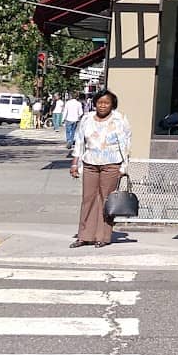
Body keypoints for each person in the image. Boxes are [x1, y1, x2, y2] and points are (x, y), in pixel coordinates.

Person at [69, 90, 132, 248]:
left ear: (112, 105)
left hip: (111, 164)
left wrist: (124, 166)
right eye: (100, 102)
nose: (103, 105)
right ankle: (85, 235)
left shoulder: (120, 119)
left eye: (106, 103)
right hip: (90, 162)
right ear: (95, 103)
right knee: (88, 199)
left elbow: (126, 144)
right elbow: (79, 141)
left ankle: (103, 236)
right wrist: (75, 163)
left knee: (106, 200)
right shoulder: (87, 118)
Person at [61, 92, 84, 156]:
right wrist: (79, 117)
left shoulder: (68, 103)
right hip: (75, 119)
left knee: (68, 131)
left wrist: (63, 119)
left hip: (68, 118)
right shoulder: (78, 103)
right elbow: (81, 112)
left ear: (71, 96)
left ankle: (69, 141)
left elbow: (65, 111)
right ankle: (71, 140)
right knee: (73, 131)